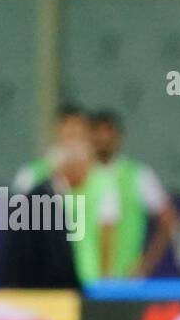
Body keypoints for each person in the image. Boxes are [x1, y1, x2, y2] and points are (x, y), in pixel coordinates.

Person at [10, 106, 120, 285]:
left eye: (79, 134)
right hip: (41, 283)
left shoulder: (104, 182)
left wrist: (105, 279)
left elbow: (107, 235)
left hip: (87, 280)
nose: (73, 141)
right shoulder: (30, 176)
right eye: (69, 133)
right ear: (58, 133)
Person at [90, 110, 180, 279]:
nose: (102, 138)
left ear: (119, 137)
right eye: (97, 132)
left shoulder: (138, 176)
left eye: (107, 132)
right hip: (85, 278)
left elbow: (169, 221)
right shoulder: (79, 176)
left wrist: (145, 266)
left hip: (124, 280)